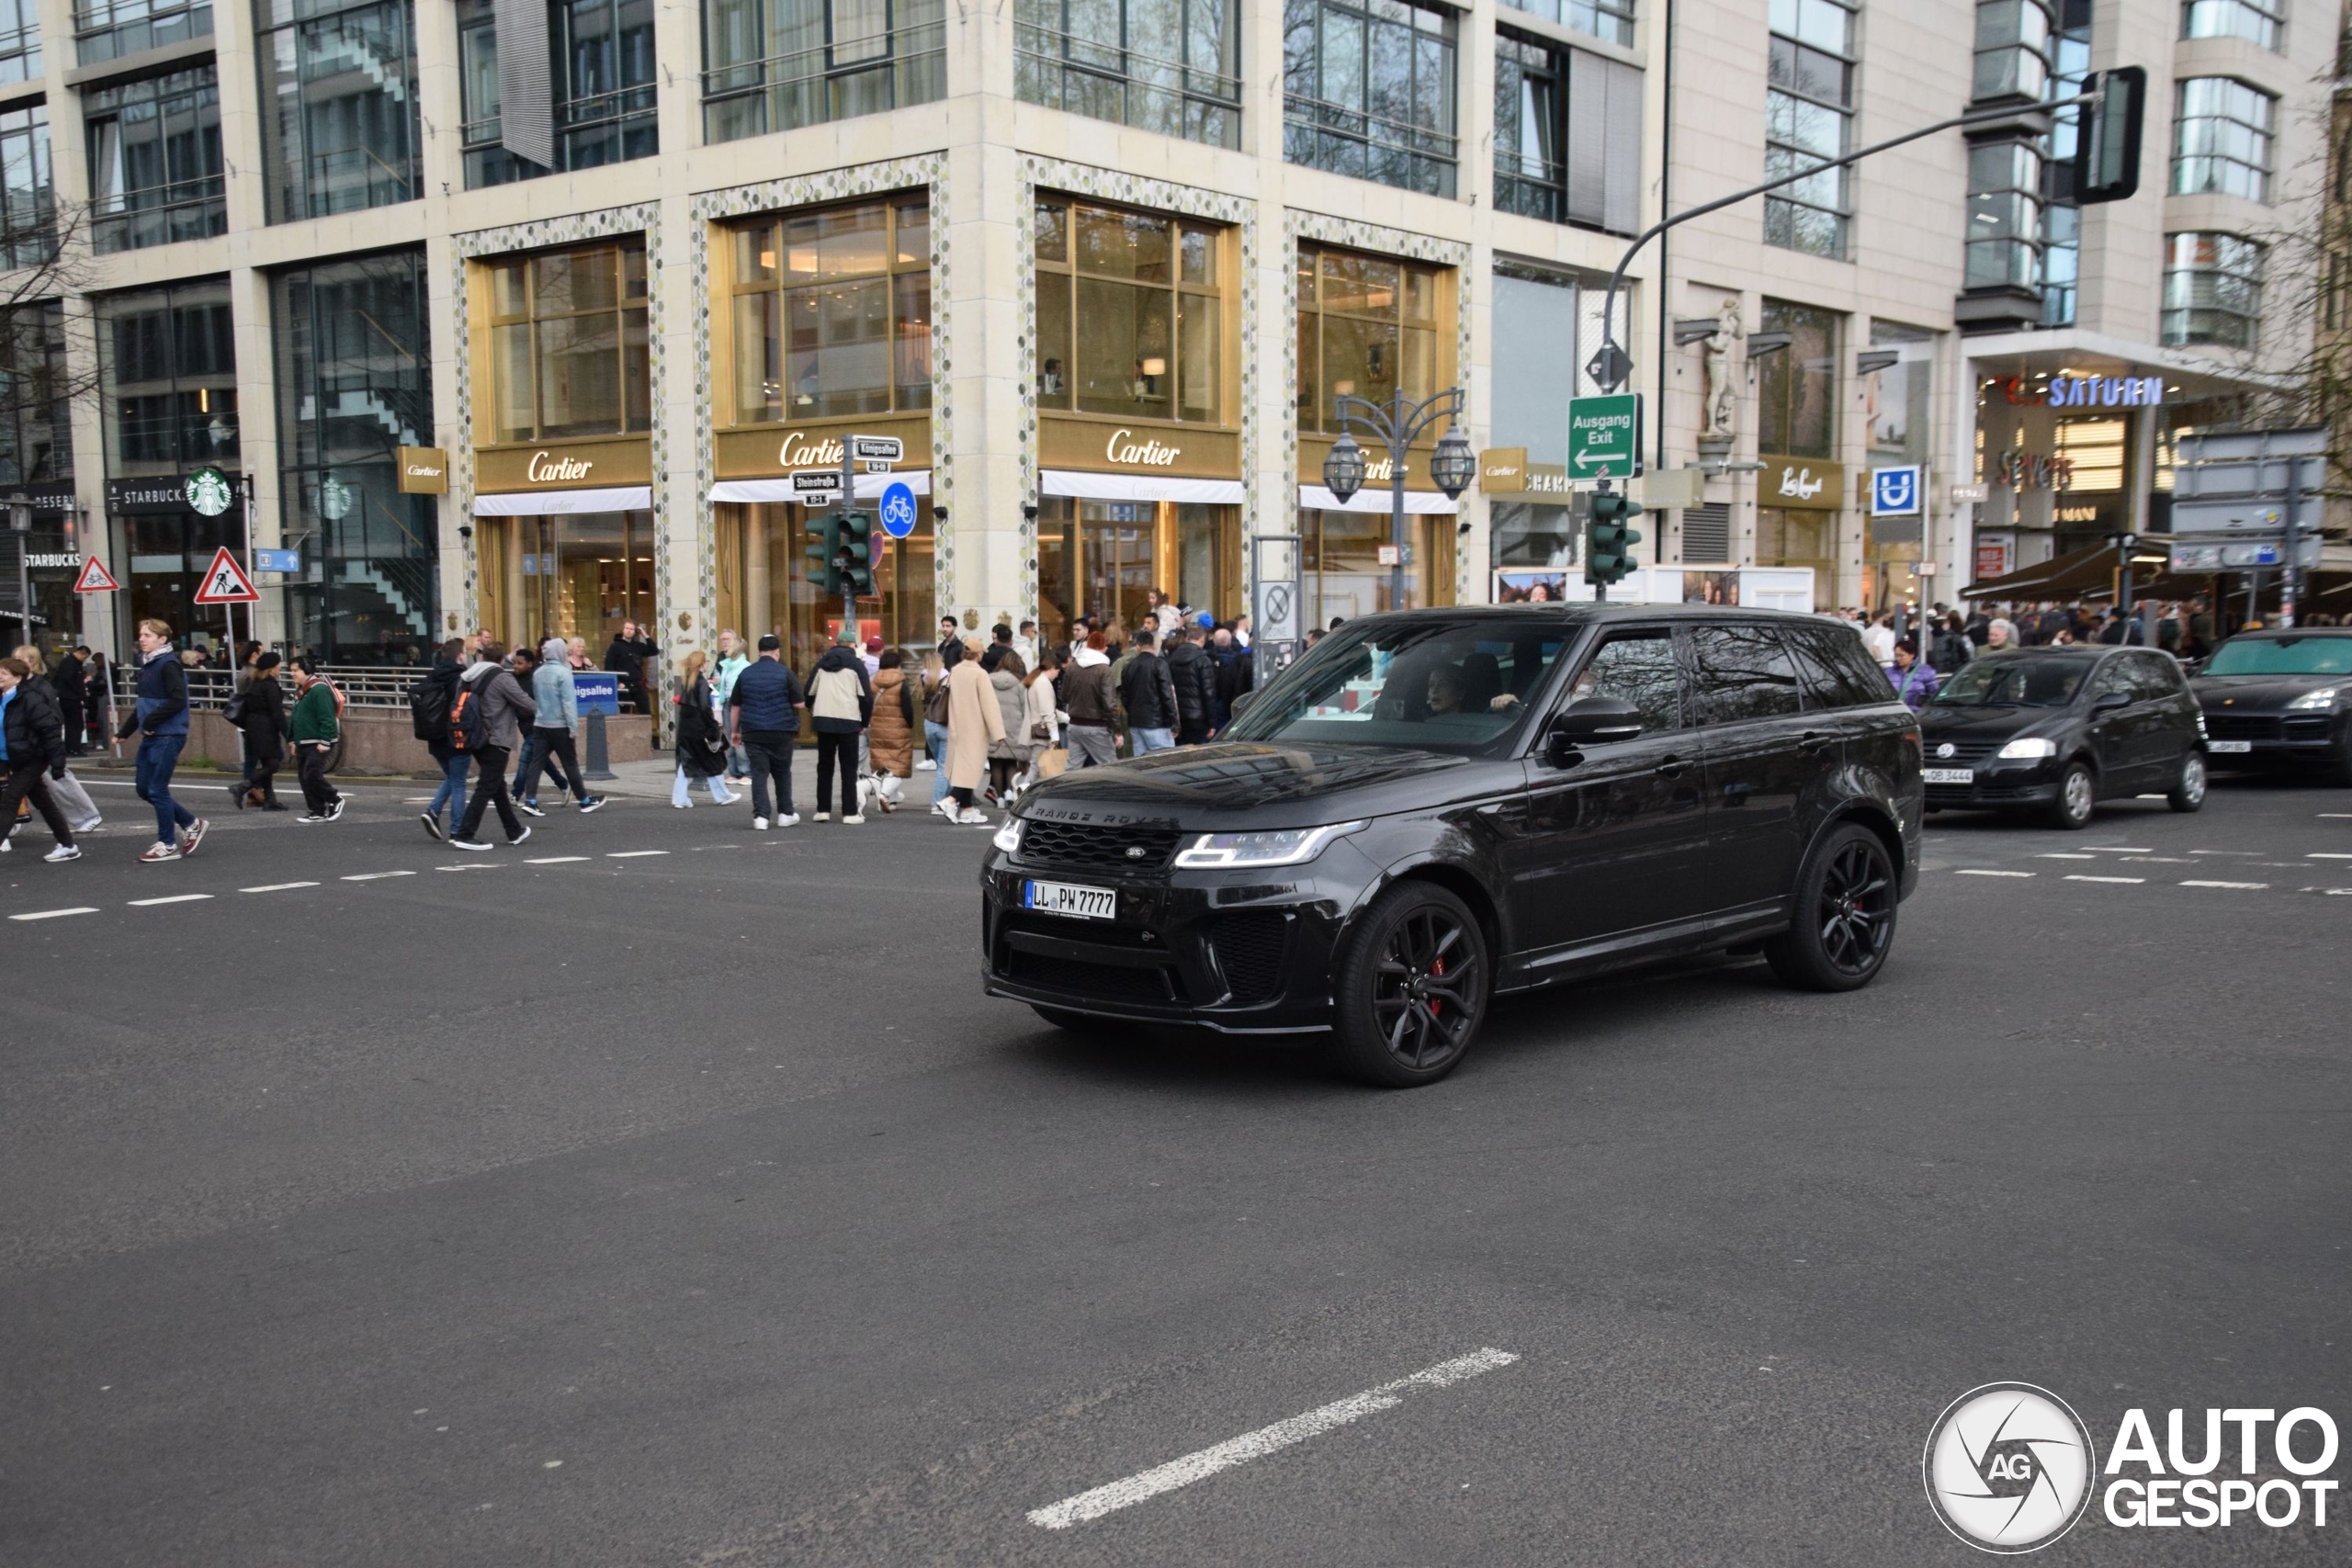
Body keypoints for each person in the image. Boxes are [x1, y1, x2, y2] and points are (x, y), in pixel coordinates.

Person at [118, 618, 205, 863]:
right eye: (141, 634)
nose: (142, 639)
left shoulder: (168, 665)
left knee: (157, 789)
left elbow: (178, 700)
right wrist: (126, 730)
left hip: (168, 734)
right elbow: (144, 704)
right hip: (153, 733)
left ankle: (167, 844)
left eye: (148, 635)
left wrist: (151, 723)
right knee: (144, 788)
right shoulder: (148, 664)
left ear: (162, 639)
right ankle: (191, 823)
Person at [447, 641, 536, 850]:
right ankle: (465, 834)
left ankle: (514, 830)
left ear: (482, 656)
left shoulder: (466, 677)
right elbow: (524, 702)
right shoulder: (502, 677)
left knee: (496, 785)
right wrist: (546, 712)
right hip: (497, 737)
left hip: (473, 736)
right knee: (487, 786)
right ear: (501, 659)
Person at [0, 656, 78, 861]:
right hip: (14, 758)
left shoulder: (29, 698)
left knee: (9, 801)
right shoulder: (2, 698)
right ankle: (68, 845)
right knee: (43, 801)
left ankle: (68, 845)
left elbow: (50, 729)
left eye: (3, 673)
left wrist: (58, 762)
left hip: (32, 757)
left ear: (18, 678)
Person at [520, 637, 606, 817]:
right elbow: (569, 703)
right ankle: (583, 800)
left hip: (541, 723)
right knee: (570, 763)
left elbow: (536, 698)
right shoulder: (564, 673)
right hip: (560, 725)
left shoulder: (538, 673)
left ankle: (531, 800)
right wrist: (573, 728)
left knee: (536, 762)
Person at [728, 633, 803, 829]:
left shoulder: (746, 673)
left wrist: (735, 732)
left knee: (759, 774)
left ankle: (761, 817)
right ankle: (786, 813)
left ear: (759, 652)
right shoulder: (786, 673)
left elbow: (736, 706)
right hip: (782, 730)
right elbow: (799, 703)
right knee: (782, 772)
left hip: (753, 731)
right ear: (777, 652)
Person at [807, 629, 874, 822]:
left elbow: (809, 692)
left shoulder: (822, 663)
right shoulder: (856, 665)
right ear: (853, 645)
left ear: (836, 643)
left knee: (824, 767)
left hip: (823, 720)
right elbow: (866, 697)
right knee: (849, 768)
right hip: (848, 720)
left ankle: (823, 810)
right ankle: (849, 812)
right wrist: (864, 721)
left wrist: (813, 709)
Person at [941, 637, 1004, 824]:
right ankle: (950, 800)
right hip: (974, 727)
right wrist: (999, 733)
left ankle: (967, 809)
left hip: (956, 726)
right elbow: (989, 706)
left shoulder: (955, 671)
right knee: (972, 769)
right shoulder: (980, 674)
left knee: (962, 769)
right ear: (978, 654)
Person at [669, 649, 736, 807]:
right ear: (701, 664)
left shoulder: (688, 682)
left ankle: (680, 799)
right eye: (705, 662)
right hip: (699, 727)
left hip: (686, 727)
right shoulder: (701, 683)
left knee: (687, 761)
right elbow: (705, 707)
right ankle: (722, 795)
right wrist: (712, 725)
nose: (707, 665)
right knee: (712, 760)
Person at [418, 637, 469, 841]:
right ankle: (457, 829)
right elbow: (464, 707)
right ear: (459, 656)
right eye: (464, 652)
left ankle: (433, 812)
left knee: (453, 778)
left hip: (434, 737)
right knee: (459, 784)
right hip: (456, 736)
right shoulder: (460, 678)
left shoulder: (433, 676)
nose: (466, 656)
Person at [285, 657, 345, 823]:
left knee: (311, 774)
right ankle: (316, 810)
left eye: (295, 670)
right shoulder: (304, 690)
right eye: (291, 670)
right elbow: (296, 717)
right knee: (304, 777)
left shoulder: (319, 689)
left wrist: (325, 741)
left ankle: (334, 799)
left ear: (307, 669)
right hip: (305, 740)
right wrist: (292, 739)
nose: (292, 674)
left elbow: (327, 718)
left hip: (317, 740)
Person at [234, 650, 288, 811]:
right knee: (273, 763)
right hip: (265, 728)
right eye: (278, 666)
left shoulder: (255, 683)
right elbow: (276, 712)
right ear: (271, 669)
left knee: (266, 763)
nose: (279, 669)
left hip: (253, 726)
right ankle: (243, 787)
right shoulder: (269, 686)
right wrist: (288, 734)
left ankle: (270, 799)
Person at [865, 649, 916, 812]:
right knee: (897, 768)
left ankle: (891, 800)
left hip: (878, 730)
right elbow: (907, 708)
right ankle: (885, 795)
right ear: (898, 665)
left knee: (883, 767)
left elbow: (867, 705)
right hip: (898, 731)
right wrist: (910, 724)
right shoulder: (901, 684)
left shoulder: (873, 682)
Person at [1062, 630, 1119, 769]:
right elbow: (1109, 703)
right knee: (1111, 768)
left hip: (1074, 725)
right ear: (1104, 649)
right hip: (1096, 726)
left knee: (1072, 769)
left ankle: (1066, 790)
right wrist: (1117, 730)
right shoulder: (1104, 669)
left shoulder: (1072, 668)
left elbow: (1064, 696)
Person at [1117, 627, 1179, 754]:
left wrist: (1133, 712)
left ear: (1138, 646)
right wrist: (1174, 721)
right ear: (1154, 645)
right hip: (1157, 722)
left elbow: (1124, 697)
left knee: (1141, 763)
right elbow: (1167, 695)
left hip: (1135, 722)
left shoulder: (1128, 667)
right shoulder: (1160, 664)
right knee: (1165, 762)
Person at [1165, 623, 1218, 746]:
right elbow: (1208, 692)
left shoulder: (1172, 659)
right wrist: (1212, 723)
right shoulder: (1203, 660)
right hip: (1197, 716)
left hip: (1178, 715)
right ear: (1202, 639)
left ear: (1187, 638)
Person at [987, 649, 1028, 802]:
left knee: (996, 762)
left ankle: (1000, 798)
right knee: (1011, 761)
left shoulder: (989, 680)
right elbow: (1025, 708)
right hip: (1014, 727)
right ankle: (1010, 792)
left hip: (993, 726)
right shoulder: (1019, 683)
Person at [1019, 646, 1062, 791]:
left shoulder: (1034, 680)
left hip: (1032, 729)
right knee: (1036, 767)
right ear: (1052, 668)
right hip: (1041, 732)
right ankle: (1022, 791)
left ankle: (1023, 790)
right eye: (1057, 671)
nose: (1057, 675)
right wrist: (1055, 734)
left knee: (1036, 766)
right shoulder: (1043, 683)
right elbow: (1047, 712)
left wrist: (1064, 717)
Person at [713, 629, 752, 782]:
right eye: (722, 639)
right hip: (727, 703)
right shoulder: (726, 665)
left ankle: (746, 772)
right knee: (729, 738)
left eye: (728, 641)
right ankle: (734, 771)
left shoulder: (744, 666)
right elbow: (723, 685)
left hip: (739, 704)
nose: (725, 644)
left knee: (739, 737)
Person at [605, 620, 658, 713]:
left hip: (637, 684)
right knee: (624, 713)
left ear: (635, 632)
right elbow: (609, 666)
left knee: (645, 711)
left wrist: (645, 635)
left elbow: (654, 651)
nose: (629, 631)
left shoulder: (638, 646)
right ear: (622, 630)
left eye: (632, 629)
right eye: (627, 628)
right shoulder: (615, 646)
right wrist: (617, 683)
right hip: (623, 685)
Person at [1889, 638, 1939, 712]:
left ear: (1912, 655)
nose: (1898, 659)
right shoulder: (1889, 672)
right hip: (1896, 713)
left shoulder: (1926, 672)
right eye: (1896, 655)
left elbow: (1934, 694)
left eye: (1902, 655)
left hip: (1916, 713)